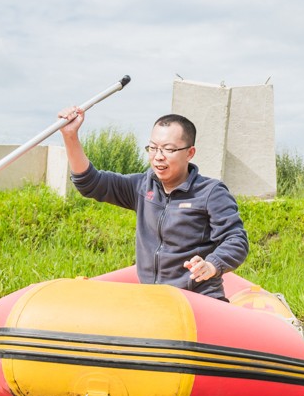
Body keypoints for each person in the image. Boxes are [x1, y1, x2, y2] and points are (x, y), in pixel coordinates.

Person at [55, 106, 248, 299]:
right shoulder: (141, 186)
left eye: (169, 149)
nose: (158, 156)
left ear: (190, 153)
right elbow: (90, 183)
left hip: (198, 300)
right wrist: (70, 136)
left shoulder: (211, 192)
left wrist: (212, 264)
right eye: (153, 148)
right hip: (155, 300)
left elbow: (236, 240)